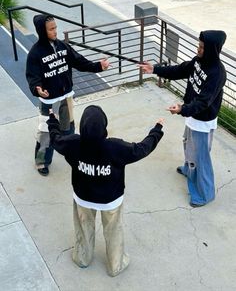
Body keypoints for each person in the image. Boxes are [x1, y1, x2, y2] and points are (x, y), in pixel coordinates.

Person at [47, 105, 164, 276]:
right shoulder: (115, 147)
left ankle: (82, 258)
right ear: (104, 126)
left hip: (83, 197)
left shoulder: (73, 143)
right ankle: (116, 264)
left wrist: (52, 121)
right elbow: (142, 149)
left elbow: (56, 139)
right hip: (111, 199)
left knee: (83, 227)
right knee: (114, 231)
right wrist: (157, 130)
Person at [140, 30, 227, 207]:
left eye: (202, 47)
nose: (198, 49)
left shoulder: (217, 73)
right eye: (199, 45)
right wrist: (155, 69)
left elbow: (204, 102)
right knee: (187, 143)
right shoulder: (198, 61)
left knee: (200, 158)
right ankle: (188, 169)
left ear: (212, 49)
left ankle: (204, 194)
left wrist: (182, 109)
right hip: (192, 115)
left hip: (202, 120)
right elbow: (180, 70)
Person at [26, 14, 110, 176]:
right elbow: (32, 76)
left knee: (69, 129)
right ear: (42, 31)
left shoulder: (63, 47)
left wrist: (99, 66)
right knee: (45, 133)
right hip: (49, 102)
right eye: (51, 29)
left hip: (66, 96)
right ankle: (42, 161)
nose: (55, 31)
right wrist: (37, 88)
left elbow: (79, 61)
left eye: (55, 27)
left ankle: (73, 154)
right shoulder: (35, 54)